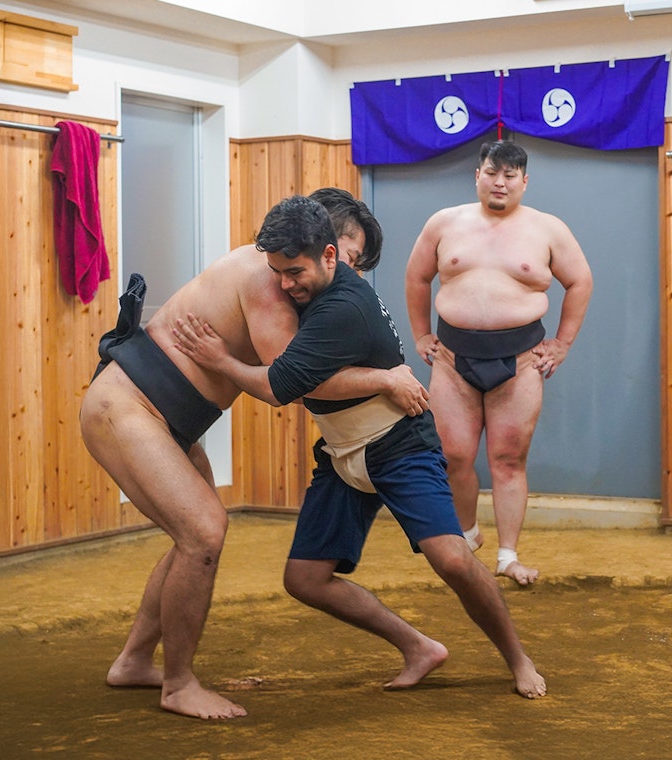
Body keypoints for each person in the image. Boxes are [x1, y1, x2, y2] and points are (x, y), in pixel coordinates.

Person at [173, 195, 547, 699]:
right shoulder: (300, 292)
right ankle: (418, 647)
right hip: (341, 450)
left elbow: (279, 386)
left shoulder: (343, 307)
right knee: (305, 579)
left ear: (329, 257)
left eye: (295, 272)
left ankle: (519, 660)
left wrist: (219, 361)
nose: (285, 284)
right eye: (277, 272)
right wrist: (383, 377)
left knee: (454, 560)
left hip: (400, 443)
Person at [79, 193, 426, 720]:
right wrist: (384, 377)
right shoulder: (268, 280)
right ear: (319, 244)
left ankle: (132, 662)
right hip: (127, 405)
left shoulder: (297, 282)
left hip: (166, 414)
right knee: (203, 533)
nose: (349, 270)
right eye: (347, 256)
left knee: (191, 535)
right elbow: (288, 383)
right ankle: (179, 685)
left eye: (356, 262)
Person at [404, 140, 594, 585]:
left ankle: (508, 557)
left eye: (510, 176)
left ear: (524, 182)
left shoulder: (548, 229)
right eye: (492, 173)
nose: (500, 182)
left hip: (521, 361)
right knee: (452, 455)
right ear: (477, 175)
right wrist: (420, 335)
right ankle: (468, 535)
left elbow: (580, 281)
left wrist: (562, 343)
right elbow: (417, 276)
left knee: (508, 459)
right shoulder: (444, 223)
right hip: (452, 360)